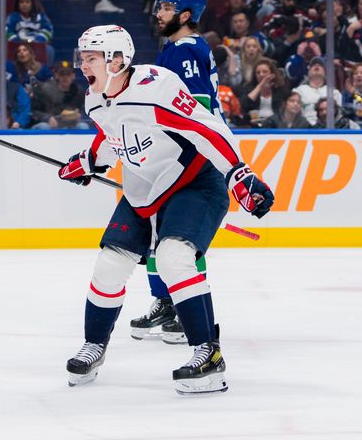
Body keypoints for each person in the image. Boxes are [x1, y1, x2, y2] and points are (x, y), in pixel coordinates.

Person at [58, 24, 274, 394]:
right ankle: (94, 344)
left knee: (174, 258)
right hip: (144, 190)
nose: (83, 65)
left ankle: (208, 355)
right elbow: (114, 136)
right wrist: (90, 160)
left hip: (194, 183)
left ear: (116, 60)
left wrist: (238, 172)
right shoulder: (95, 99)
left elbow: (206, 129)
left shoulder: (157, 87)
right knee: (109, 265)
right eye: (83, 58)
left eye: (90, 58)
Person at [129, 0, 222, 343]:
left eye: (166, 8)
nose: (158, 13)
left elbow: (194, 109)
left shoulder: (186, 50)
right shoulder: (175, 48)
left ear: (185, 16)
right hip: (170, 156)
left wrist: (174, 157)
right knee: (159, 236)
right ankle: (166, 302)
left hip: (189, 156)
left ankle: (186, 313)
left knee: (180, 241)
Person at [293, 57, 343, 124]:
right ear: (308, 72)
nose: (316, 65)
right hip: (304, 130)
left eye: (320, 65)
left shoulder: (334, 92)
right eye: (313, 65)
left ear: (325, 73)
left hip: (327, 129)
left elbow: (339, 115)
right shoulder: (298, 91)